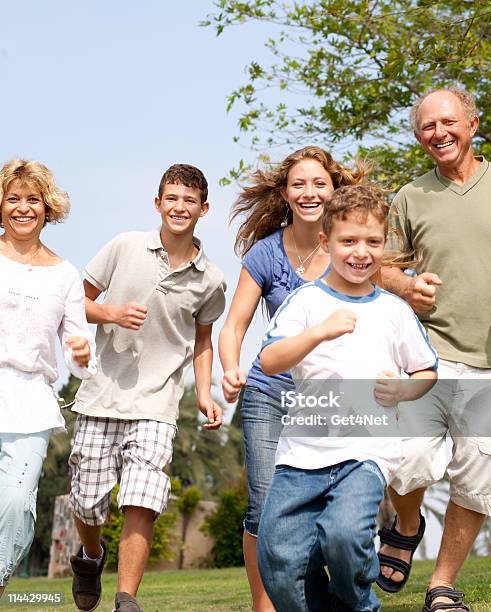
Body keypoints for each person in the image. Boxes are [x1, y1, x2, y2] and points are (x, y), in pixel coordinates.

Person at [256, 183, 438, 611]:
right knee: (278, 559)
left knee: (344, 536)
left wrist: (404, 388)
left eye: (373, 242)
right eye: (349, 241)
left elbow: (426, 371)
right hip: (301, 456)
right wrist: (318, 331)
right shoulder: (306, 301)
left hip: (365, 452)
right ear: (326, 242)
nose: (361, 252)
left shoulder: (394, 310)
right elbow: (269, 360)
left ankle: (360, 605)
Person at [378, 86, 491, 612]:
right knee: (405, 459)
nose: (438, 134)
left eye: (447, 122)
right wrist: (404, 285)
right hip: (430, 355)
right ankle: (408, 524)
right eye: (427, 128)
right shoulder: (411, 197)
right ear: (419, 137)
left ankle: (441, 585)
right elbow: (382, 265)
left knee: (479, 475)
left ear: (473, 124)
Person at [68, 164, 226, 612]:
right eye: (171, 198)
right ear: (157, 203)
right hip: (102, 393)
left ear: (203, 208)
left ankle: (126, 599)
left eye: (189, 201)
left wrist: (203, 394)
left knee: (144, 493)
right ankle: (91, 556)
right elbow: (75, 303)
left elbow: (202, 342)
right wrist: (113, 314)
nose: (180, 207)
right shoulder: (124, 246)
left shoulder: (211, 279)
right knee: (88, 499)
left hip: (158, 402)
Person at [219, 146, 367, 610]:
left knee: (328, 505)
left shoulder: (352, 247)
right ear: (284, 193)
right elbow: (234, 325)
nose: (309, 193)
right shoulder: (266, 253)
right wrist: (229, 367)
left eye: (319, 183)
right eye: (299, 184)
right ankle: (264, 603)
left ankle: (323, 594)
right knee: (264, 507)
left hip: (332, 398)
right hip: (269, 392)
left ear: (334, 190)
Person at [0, 160, 96, 596]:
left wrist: (80, 351)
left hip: (30, 402)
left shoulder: (65, 275)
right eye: (13, 198)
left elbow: (77, 352)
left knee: (16, 506)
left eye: (32, 199)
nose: (23, 208)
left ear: (47, 207)